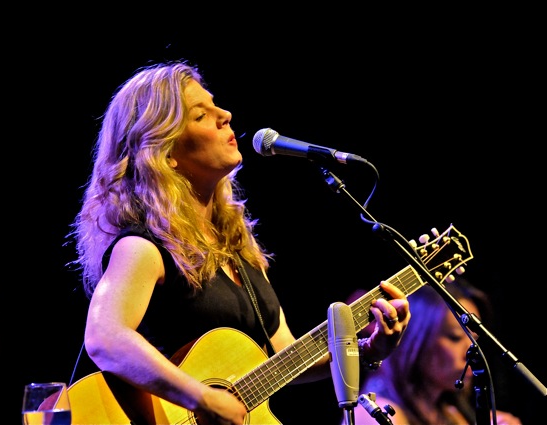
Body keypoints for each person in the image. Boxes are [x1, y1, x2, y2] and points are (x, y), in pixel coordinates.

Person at [68, 60, 411, 425]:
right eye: (201, 115)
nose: (225, 114)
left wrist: (367, 350)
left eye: (217, 105)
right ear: (163, 151)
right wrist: (201, 398)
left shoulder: (238, 250)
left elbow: (286, 359)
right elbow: (105, 337)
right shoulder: (144, 248)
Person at [351, 277, 523, 425]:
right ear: (415, 341)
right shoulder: (372, 414)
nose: (472, 352)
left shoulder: (448, 412)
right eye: (455, 338)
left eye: (474, 340)